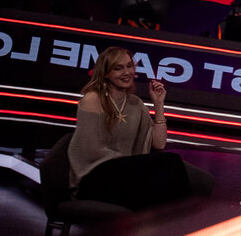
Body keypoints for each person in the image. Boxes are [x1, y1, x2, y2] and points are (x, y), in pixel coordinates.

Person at [67, 46, 192, 208]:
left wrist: (159, 104)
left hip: (124, 174)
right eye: (118, 68)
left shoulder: (135, 103)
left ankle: (180, 217)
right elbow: (91, 149)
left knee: (169, 169)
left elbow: (159, 144)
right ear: (105, 73)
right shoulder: (93, 99)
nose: (127, 72)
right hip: (94, 178)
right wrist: (134, 164)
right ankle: (186, 216)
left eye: (129, 66)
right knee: (169, 163)